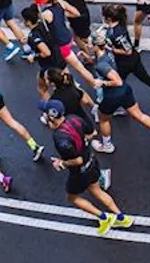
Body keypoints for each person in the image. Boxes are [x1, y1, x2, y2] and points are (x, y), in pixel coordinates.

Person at [40, 99, 130, 233]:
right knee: (97, 190)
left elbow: (77, 161)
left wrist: (61, 163)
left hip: (80, 172)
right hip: (92, 160)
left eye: (45, 115)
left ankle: (103, 217)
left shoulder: (60, 138)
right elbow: (92, 133)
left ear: (51, 117)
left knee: (73, 198)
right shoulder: (74, 119)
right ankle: (121, 217)